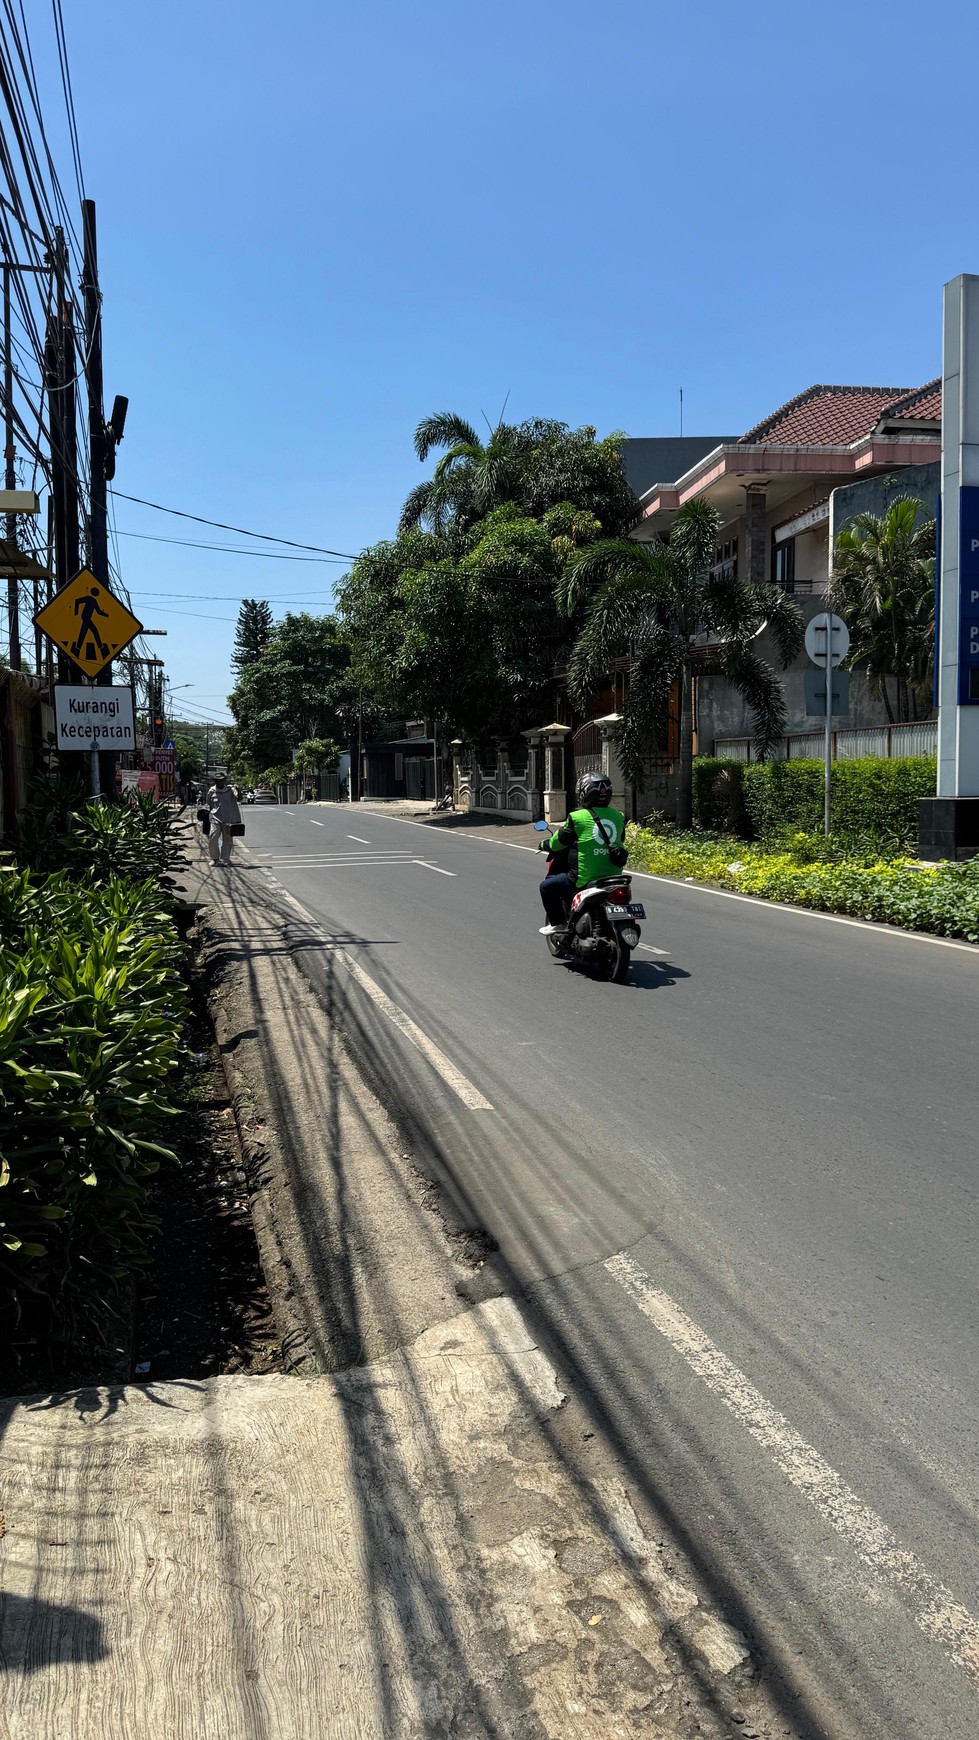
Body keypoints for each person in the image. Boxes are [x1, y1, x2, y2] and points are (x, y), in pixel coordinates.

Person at [537, 771, 627, 934]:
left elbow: (558, 843)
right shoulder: (618, 817)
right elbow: (621, 840)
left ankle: (558, 923)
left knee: (546, 887)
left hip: (584, 879)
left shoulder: (577, 817)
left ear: (584, 793)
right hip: (614, 877)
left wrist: (544, 844)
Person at [202, 773, 242, 866]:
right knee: (213, 836)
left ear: (224, 780)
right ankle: (214, 858)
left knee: (227, 839)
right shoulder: (212, 790)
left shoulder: (230, 790)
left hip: (228, 818)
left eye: (221, 780)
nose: (220, 782)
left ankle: (225, 858)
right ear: (215, 781)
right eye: (218, 780)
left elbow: (239, 798)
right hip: (215, 818)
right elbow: (209, 803)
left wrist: (238, 790)